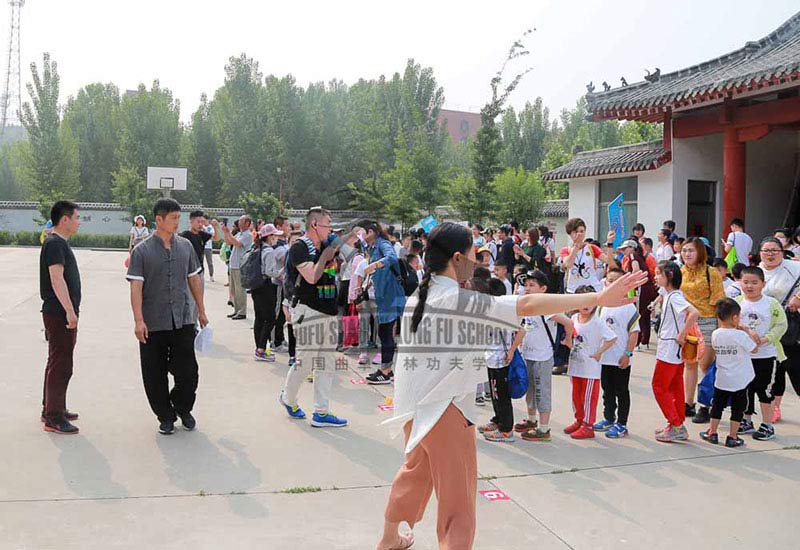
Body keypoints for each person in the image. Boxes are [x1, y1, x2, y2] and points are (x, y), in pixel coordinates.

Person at [376, 222, 647, 550]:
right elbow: (529, 305)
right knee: (458, 505)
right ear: (458, 258)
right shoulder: (458, 300)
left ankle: (389, 538)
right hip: (445, 410)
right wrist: (600, 297)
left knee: (414, 474)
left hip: (413, 408)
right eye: (475, 255)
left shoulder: (420, 295)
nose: (479, 262)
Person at [126, 199, 208, 435]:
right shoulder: (141, 251)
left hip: (183, 318)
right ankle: (165, 415)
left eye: (177, 218)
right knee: (154, 372)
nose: (176, 222)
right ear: (158, 220)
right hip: (153, 322)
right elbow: (135, 288)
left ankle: (182, 407)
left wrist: (201, 310)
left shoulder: (185, 247)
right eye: (172, 218)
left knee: (188, 371)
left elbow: (193, 278)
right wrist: (138, 320)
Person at [278, 207, 359, 428]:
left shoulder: (328, 244)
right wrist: (326, 256)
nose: (330, 229)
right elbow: (312, 277)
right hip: (309, 312)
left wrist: (342, 244)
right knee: (305, 363)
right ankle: (288, 398)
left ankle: (321, 412)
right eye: (327, 224)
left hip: (330, 311)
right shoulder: (300, 248)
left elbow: (346, 261)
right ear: (314, 224)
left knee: (326, 363)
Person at [511, 269, 573, 442]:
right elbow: (525, 329)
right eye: (526, 285)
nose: (527, 288)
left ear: (543, 288)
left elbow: (568, 322)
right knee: (530, 389)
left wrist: (568, 340)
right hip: (529, 355)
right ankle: (532, 420)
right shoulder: (528, 307)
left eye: (532, 285)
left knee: (542, 391)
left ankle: (544, 429)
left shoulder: (546, 308)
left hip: (543, 357)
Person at [40, 200, 82, 435]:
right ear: (64, 220)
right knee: (62, 364)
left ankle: (52, 408)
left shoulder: (57, 242)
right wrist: (69, 310)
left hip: (58, 312)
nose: (79, 222)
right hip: (58, 313)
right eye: (76, 218)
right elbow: (57, 279)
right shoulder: (55, 244)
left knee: (56, 361)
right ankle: (54, 418)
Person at [735, 266, 786, 440]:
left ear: (763, 284)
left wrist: (765, 339)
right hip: (744, 356)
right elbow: (729, 323)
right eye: (746, 282)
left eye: (754, 282)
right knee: (745, 389)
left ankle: (767, 424)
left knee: (764, 391)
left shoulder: (772, 304)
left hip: (766, 355)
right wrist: (746, 333)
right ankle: (746, 420)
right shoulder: (737, 302)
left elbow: (781, 325)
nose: (750, 286)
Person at [653, 261, 700, 442]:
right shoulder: (670, 294)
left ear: (669, 276)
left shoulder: (674, 297)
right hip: (670, 346)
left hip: (670, 347)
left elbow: (694, 312)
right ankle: (676, 423)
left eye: (659, 274)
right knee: (674, 387)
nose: (656, 277)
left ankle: (676, 424)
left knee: (659, 386)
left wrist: (682, 333)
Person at [680, 237, 725, 424]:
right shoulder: (679, 272)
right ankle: (688, 403)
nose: (686, 254)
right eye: (684, 250)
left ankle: (705, 405)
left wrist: (722, 329)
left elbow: (720, 301)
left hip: (707, 322)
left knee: (705, 366)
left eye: (691, 250)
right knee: (689, 364)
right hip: (687, 323)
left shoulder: (711, 272)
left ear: (700, 252)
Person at [356, 220, 406, 385]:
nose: (361, 236)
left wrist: (375, 265)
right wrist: (369, 282)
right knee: (384, 332)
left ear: (371, 232)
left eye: (362, 232)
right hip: (382, 293)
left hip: (391, 294)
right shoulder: (370, 248)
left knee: (386, 332)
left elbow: (391, 258)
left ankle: (385, 372)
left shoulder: (383, 244)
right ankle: (387, 369)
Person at [564, 285, 617, 440]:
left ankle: (588, 425)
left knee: (588, 398)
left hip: (590, 369)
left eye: (589, 301)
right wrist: (568, 343)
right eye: (582, 300)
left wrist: (599, 353)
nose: (585, 305)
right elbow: (571, 334)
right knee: (576, 396)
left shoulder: (597, 322)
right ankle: (579, 420)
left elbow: (612, 338)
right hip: (575, 365)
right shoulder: (574, 318)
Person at [700, 298, 755, 448]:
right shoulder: (740, 336)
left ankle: (712, 431)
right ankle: (732, 436)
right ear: (735, 317)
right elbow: (754, 348)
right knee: (738, 408)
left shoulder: (716, 334)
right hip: (740, 379)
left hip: (722, 378)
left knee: (717, 406)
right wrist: (748, 331)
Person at [593, 268, 640, 438]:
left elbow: (634, 333)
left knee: (622, 391)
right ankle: (608, 418)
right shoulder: (601, 306)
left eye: (615, 281)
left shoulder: (628, 307)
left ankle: (622, 423)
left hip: (621, 359)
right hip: (605, 358)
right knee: (607, 390)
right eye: (609, 280)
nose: (610, 284)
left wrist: (627, 353)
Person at [758, 236, 800, 423]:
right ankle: (775, 407)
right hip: (767, 329)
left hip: (791, 325)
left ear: (782, 252)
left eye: (775, 250)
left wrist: (798, 297)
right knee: (775, 370)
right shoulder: (757, 271)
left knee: (795, 367)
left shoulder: (793, 268)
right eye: (766, 250)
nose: (770, 254)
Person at [477, 277, 518, 443]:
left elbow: (521, 330)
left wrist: (512, 350)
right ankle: (498, 420)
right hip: (491, 358)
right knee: (494, 393)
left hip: (501, 359)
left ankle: (506, 430)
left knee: (502, 395)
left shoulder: (505, 312)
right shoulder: (491, 311)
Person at [251, 224, 284, 362]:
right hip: (266, 286)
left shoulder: (257, 248)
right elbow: (270, 272)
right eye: (275, 235)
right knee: (270, 318)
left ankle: (259, 348)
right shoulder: (269, 251)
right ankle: (261, 349)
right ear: (269, 237)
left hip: (255, 286)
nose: (276, 237)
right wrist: (280, 272)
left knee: (259, 317)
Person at [618, 239, 657, 349]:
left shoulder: (633, 256)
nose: (624, 251)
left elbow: (636, 271)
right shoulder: (639, 256)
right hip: (648, 288)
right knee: (645, 315)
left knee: (638, 314)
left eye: (625, 249)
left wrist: (628, 278)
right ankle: (645, 341)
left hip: (641, 287)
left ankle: (638, 341)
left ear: (632, 248)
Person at [560, 218, 614, 293]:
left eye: (582, 231)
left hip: (592, 288)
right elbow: (568, 264)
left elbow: (609, 261)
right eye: (576, 232)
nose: (579, 234)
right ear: (570, 233)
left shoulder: (591, 248)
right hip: (573, 289)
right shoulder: (566, 250)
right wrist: (576, 246)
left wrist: (610, 243)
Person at [179, 210, 221, 297]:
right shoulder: (185, 235)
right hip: (188, 272)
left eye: (202, 222)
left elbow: (216, 238)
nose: (200, 224)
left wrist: (215, 227)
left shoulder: (202, 235)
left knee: (198, 299)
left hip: (199, 271)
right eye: (198, 222)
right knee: (189, 299)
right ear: (191, 221)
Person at [222, 215, 253, 320]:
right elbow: (228, 242)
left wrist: (228, 233)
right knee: (234, 290)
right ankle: (236, 310)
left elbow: (236, 243)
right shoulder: (240, 233)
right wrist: (226, 233)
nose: (239, 223)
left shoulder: (248, 235)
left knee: (240, 289)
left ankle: (242, 311)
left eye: (241, 221)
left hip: (240, 265)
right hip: (233, 264)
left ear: (247, 223)